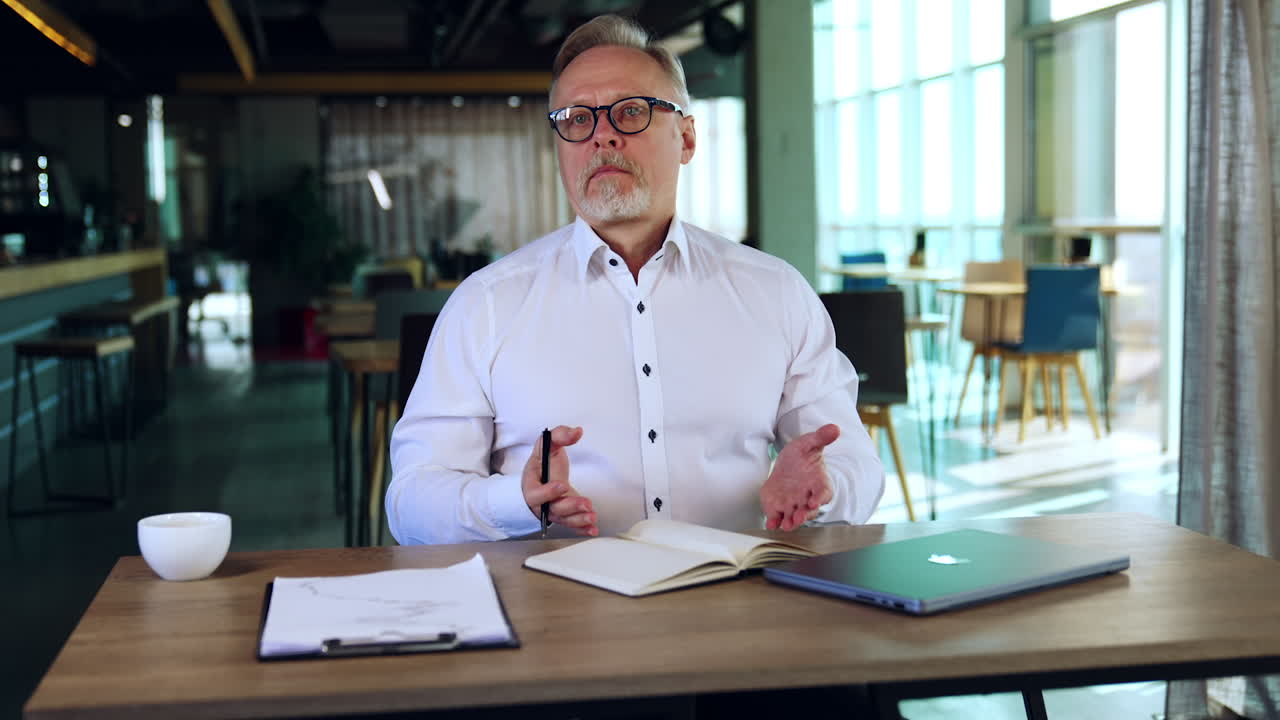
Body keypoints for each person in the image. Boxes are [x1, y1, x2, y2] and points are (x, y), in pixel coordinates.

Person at [387, 14, 884, 545]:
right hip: (556, 611)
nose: (602, 136)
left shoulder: (776, 292)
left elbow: (856, 462)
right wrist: (515, 501)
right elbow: (411, 503)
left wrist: (826, 488)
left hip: (738, 610)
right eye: (577, 119)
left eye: (630, 112)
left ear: (687, 137)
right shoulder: (485, 305)